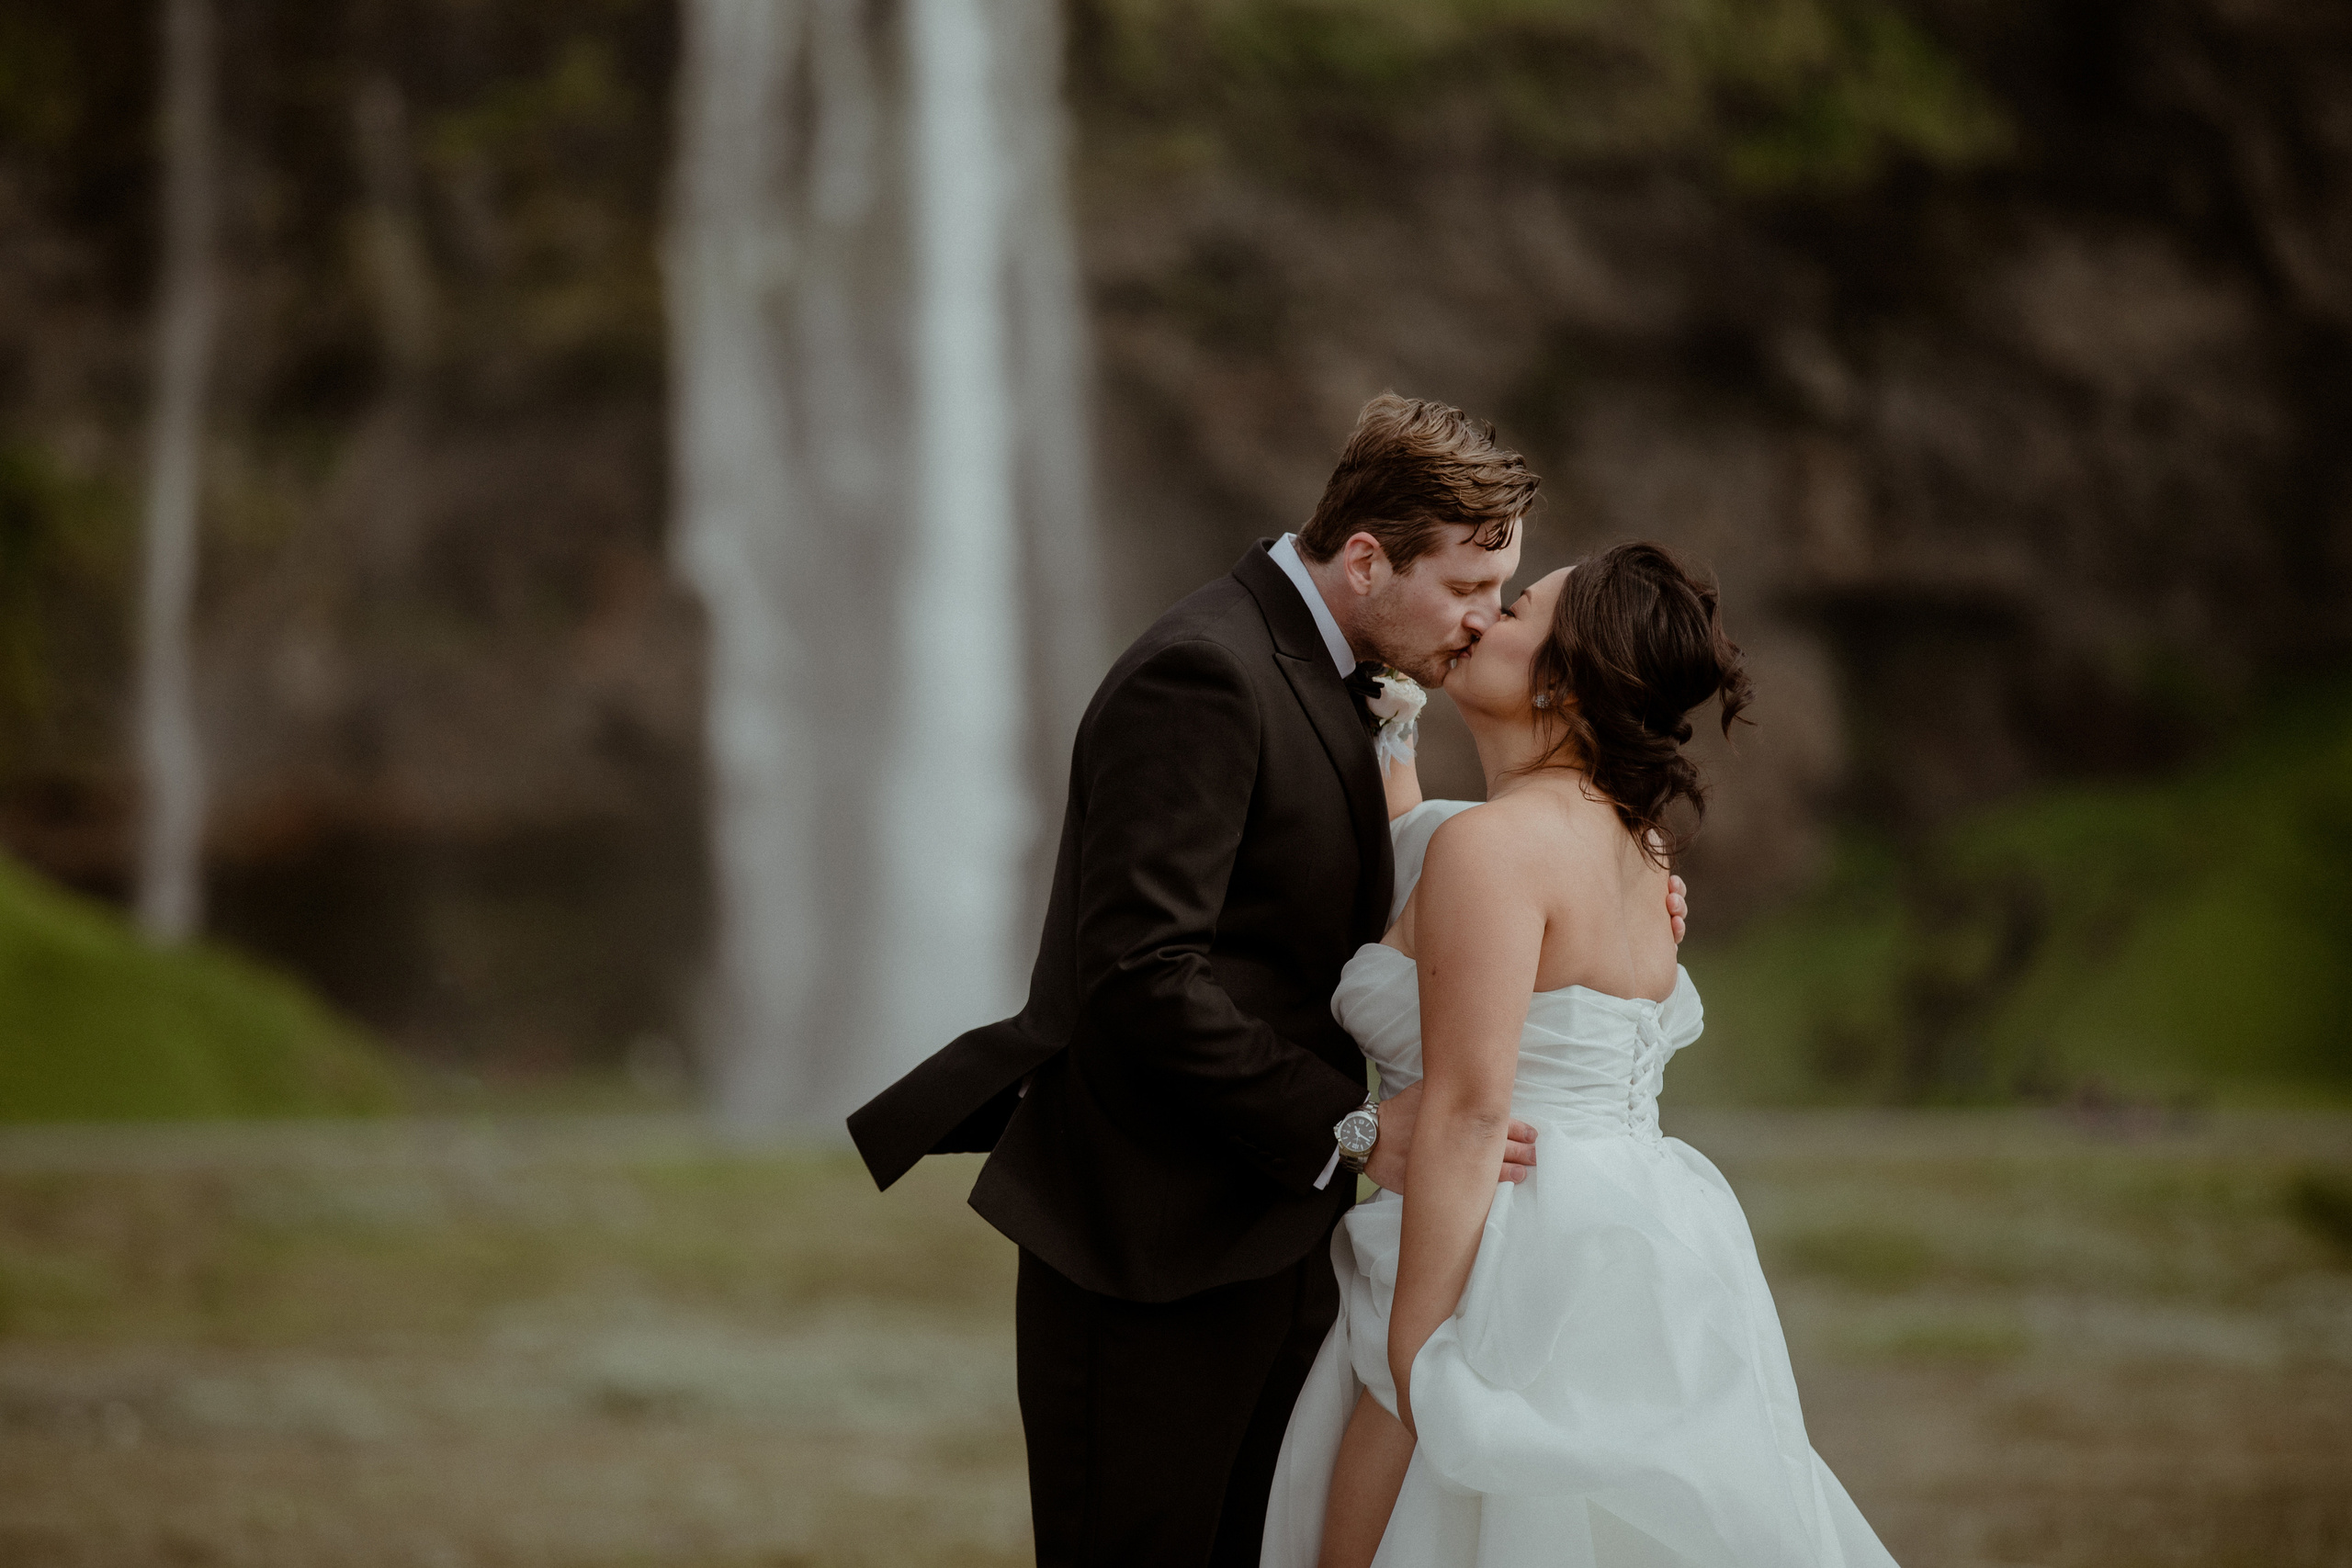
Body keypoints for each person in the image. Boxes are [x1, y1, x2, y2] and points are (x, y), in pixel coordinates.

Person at [846, 393, 1687, 1568]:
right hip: (1152, 1250)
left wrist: (1608, 885)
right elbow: (1137, 975)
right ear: (1366, 560)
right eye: (1466, 589)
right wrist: (1352, 1128)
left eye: (1502, 596)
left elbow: (1372, 898)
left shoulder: (1341, 673)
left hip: (1284, 1242)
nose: (1480, 621)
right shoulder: (1203, 672)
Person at [1260, 544, 1900, 1568]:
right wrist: (1392, 718)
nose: (1481, 618)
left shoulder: (1496, 849)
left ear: (1562, 681)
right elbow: (1420, 848)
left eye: (1514, 609)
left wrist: (1416, 1354)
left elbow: (1472, 1111)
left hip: (1492, 1240)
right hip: (1633, 1236)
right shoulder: (1633, 846)